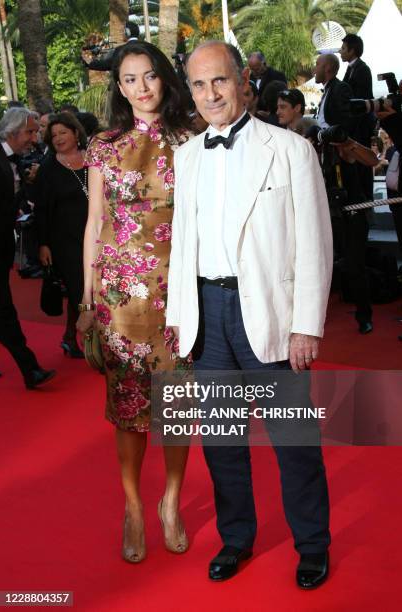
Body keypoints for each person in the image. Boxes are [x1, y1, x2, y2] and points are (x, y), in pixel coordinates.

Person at [166, 41, 333, 588]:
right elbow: (181, 245)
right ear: (189, 92)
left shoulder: (289, 149)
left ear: (242, 83)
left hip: (270, 313)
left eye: (218, 81)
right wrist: (178, 315)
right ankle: (237, 539)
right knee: (221, 442)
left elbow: (314, 241)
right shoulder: (186, 156)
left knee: (294, 443)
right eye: (198, 85)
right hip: (207, 317)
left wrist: (306, 322)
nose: (209, 94)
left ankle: (312, 545)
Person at [76, 41, 193, 563]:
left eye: (149, 76)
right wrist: (86, 295)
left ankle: (170, 501)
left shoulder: (190, 138)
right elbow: (95, 223)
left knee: (177, 405)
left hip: (178, 290)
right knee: (129, 411)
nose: (141, 88)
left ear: (163, 78)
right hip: (120, 296)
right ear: (118, 87)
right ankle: (133, 507)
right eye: (129, 79)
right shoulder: (103, 144)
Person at [314, 53, 373, 334]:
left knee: (354, 260)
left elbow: (348, 124)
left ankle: (364, 314)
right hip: (326, 183)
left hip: (347, 185)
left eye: (317, 65)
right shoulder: (326, 93)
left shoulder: (341, 89)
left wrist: (340, 140)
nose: (314, 68)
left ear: (327, 68)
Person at [0, 107, 56, 388]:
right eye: (30, 132)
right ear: (13, 131)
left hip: (4, 246)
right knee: (4, 310)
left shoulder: (16, 159)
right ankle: (29, 368)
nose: (34, 139)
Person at [34, 112, 89, 358]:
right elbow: (42, 209)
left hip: (96, 236)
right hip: (65, 240)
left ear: (76, 133)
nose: (58, 138)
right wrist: (44, 244)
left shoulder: (93, 159)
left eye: (63, 132)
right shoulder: (48, 168)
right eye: (53, 135)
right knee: (80, 290)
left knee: (96, 288)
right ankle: (92, 342)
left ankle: (69, 336)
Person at [340, 33, 375, 201]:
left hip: (360, 126)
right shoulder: (351, 69)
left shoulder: (362, 69)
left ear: (352, 50)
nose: (340, 52)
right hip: (353, 127)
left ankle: (365, 197)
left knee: (362, 164)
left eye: (343, 49)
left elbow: (361, 99)